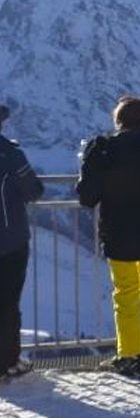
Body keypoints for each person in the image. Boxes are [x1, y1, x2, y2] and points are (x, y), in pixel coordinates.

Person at [76, 96, 140, 377]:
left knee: (126, 294)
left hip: (119, 233)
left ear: (118, 121)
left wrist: (86, 165)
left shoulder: (104, 150)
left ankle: (131, 356)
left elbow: (87, 196)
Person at [0, 103, 44, 382]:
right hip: (9, 240)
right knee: (7, 302)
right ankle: (7, 362)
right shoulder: (10, 155)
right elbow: (33, 190)